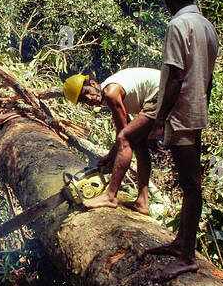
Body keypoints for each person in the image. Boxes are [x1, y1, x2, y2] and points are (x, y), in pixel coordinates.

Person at [144, 0, 219, 278]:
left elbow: (175, 76)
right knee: (190, 181)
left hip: (181, 113)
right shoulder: (206, 26)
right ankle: (182, 242)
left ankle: (187, 254)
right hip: (195, 111)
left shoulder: (178, 25)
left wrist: (159, 120)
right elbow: (209, 78)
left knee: (190, 183)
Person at [63, 66, 162, 213]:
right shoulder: (108, 94)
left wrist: (111, 156)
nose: (89, 99)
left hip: (162, 91)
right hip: (161, 92)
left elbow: (122, 134)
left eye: (87, 93)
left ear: (93, 84)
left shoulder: (110, 92)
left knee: (125, 138)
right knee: (138, 143)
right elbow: (127, 127)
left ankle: (110, 196)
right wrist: (110, 156)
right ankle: (142, 201)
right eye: (84, 100)